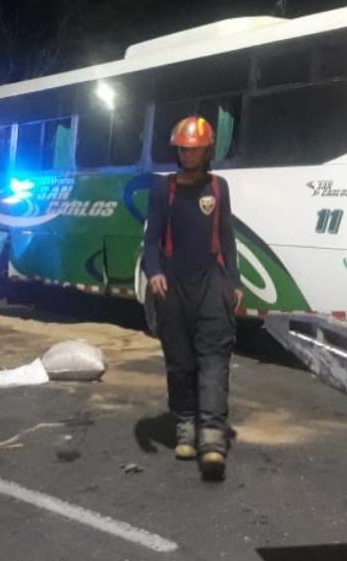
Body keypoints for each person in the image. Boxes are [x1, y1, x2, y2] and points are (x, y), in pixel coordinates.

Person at [143, 115, 243, 481]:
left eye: (195, 150)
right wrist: (154, 271)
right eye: (183, 150)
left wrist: (234, 281)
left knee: (214, 357)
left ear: (207, 151)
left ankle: (212, 437)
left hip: (211, 283)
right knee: (181, 361)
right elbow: (151, 239)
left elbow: (227, 236)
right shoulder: (163, 188)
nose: (188, 155)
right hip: (172, 286)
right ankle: (185, 426)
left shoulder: (218, 187)